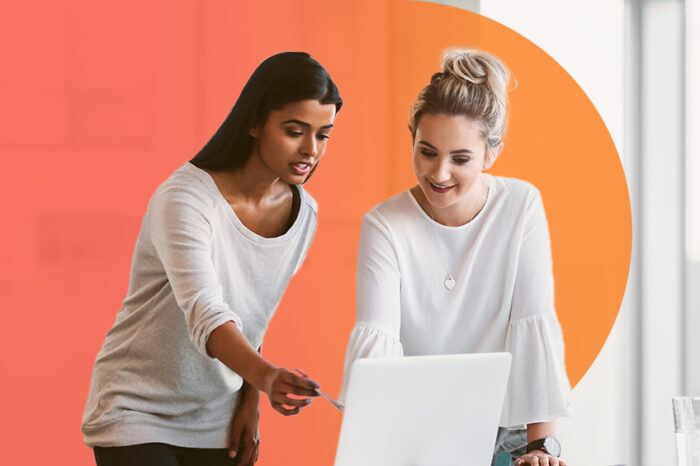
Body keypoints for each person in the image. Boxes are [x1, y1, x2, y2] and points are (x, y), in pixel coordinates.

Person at [81, 51, 342, 466]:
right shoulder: (186, 200)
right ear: (255, 123)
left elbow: (253, 314)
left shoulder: (303, 214)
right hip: (135, 409)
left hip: (215, 419)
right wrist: (267, 375)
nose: (310, 149)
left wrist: (249, 400)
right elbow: (208, 311)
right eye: (295, 131)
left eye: (323, 134)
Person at [339, 48, 570, 466]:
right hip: (416, 432)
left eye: (460, 158)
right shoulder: (385, 225)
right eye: (426, 152)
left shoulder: (521, 205)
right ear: (412, 138)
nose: (439, 173)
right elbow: (378, 351)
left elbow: (534, 323)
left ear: (491, 154)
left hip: (509, 430)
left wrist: (542, 449)